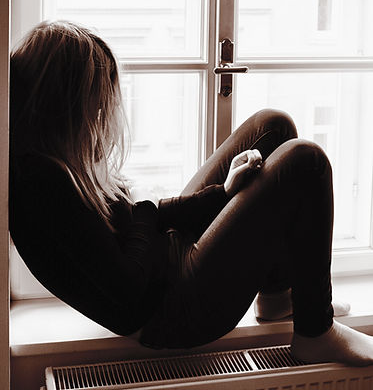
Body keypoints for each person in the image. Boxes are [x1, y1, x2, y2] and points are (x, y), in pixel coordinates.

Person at [9, 21, 373, 366]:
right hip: (172, 310)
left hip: (167, 266)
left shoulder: (53, 162)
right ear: (63, 106)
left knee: (271, 125)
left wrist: (222, 193)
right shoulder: (42, 187)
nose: (102, 112)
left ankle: (277, 296)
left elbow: (136, 221)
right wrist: (148, 212)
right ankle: (316, 331)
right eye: (95, 100)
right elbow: (130, 288)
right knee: (305, 161)